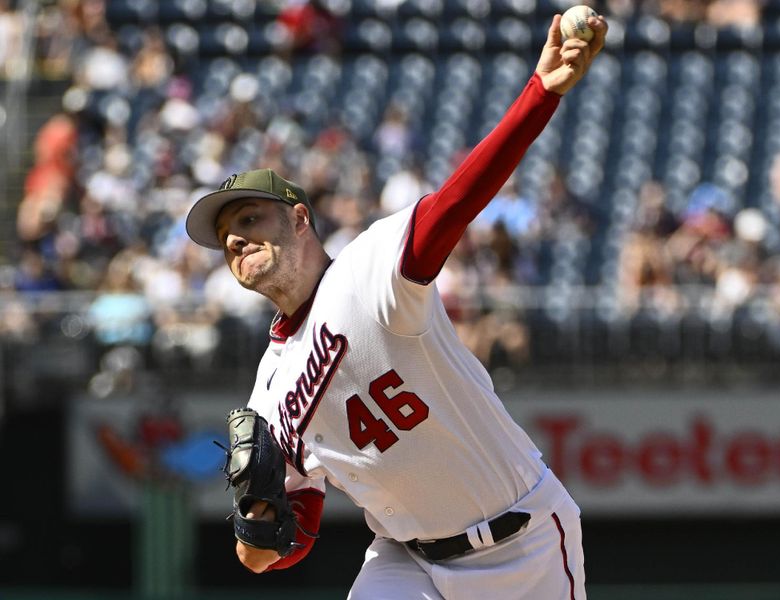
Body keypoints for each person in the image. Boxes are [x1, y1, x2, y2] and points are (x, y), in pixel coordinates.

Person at [185, 12, 607, 600]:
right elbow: (287, 541)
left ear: (300, 218)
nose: (235, 238)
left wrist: (540, 95)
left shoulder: (371, 270)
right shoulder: (269, 389)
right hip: (404, 559)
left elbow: (459, 199)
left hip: (523, 541)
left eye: (251, 218)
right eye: (225, 236)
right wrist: (256, 529)